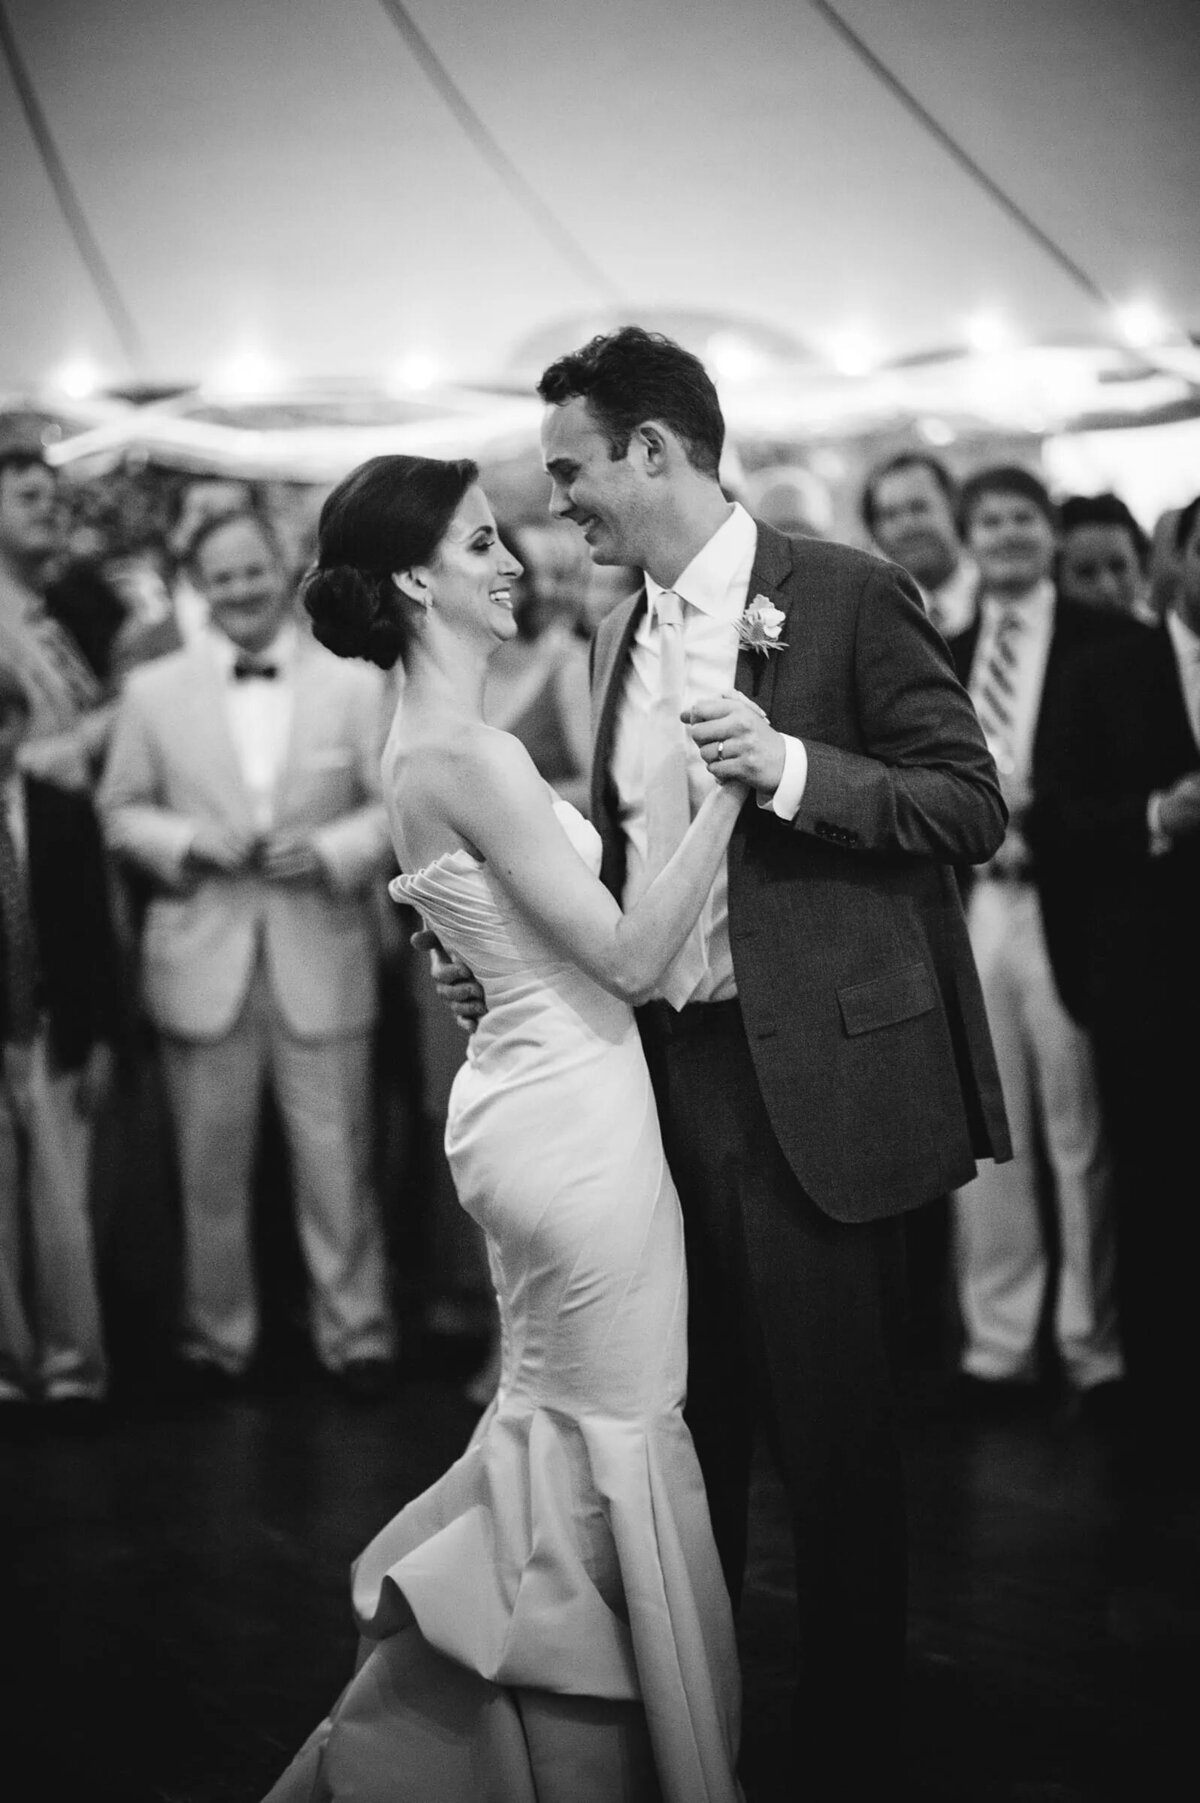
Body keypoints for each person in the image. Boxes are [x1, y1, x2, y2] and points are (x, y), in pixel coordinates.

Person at [426, 326, 1012, 1798]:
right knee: (702, 1422)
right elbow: (627, 862)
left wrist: (794, 765)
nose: (561, 504)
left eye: (573, 471)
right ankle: (709, 1722)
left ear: (654, 451)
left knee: (834, 1439)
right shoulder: (618, 633)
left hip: (811, 1072)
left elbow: (968, 800)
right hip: (663, 1075)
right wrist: (507, 956)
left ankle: (856, 1744)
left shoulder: (849, 593)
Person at [265, 453, 746, 1803]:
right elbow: (637, 955)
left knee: (557, 1421)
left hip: (532, 1089)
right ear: (415, 576)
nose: (510, 558)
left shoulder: (429, 742)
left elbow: (503, 930)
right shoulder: (461, 750)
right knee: (610, 1426)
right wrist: (736, 784)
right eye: (481, 539)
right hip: (573, 1118)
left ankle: (495, 1743)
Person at [98, 509, 396, 1399]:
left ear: (285, 570)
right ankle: (215, 1339)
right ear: (199, 584)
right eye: (220, 577)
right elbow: (120, 809)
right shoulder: (152, 691)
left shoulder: (354, 681)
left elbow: (399, 801)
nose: (238, 590)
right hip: (201, 956)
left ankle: (358, 1335)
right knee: (208, 1168)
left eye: (252, 572)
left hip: (323, 945)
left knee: (339, 1161)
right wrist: (188, 841)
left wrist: (336, 849)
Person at [952, 466, 1132, 1414]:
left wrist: (1042, 810)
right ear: (969, 534)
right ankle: (999, 1343)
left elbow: (1143, 790)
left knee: (1078, 1133)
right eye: (991, 520)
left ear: (1049, 532)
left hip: (1067, 905)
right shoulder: (949, 649)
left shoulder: (1113, 643)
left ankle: (1089, 1344)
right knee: (989, 1139)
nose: (1008, 533)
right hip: (976, 903)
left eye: (1024, 517)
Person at [1034, 492, 1200, 1481]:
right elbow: (1056, 814)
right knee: (1155, 1185)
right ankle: (1167, 1399)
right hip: (1151, 971)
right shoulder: (1106, 670)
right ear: (1174, 562)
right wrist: (1157, 812)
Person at [0, 661, 122, 1419]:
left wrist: (105, 1036)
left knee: (62, 1206)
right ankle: (7, 1365)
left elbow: (96, 936)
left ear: (20, 724)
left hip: (53, 1027)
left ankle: (75, 1363)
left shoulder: (63, 809)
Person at [860, 449, 979, 647]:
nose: (907, 526)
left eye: (918, 507)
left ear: (954, 507)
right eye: (890, 515)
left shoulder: (1003, 596)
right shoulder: (868, 622)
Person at [1057, 492, 1155, 623]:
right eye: (1086, 572)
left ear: (1141, 565)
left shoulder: (1167, 639)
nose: (1107, 588)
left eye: (1118, 567)